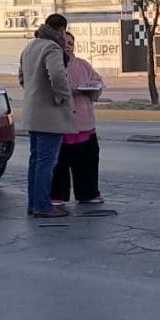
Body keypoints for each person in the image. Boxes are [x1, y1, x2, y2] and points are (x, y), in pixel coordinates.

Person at [18, 14, 77, 218]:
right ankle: (43, 206)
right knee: (46, 162)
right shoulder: (52, 47)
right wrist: (63, 97)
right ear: (62, 30)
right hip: (49, 115)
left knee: (36, 161)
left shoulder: (30, 46)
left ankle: (34, 203)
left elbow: (22, 78)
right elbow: (58, 75)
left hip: (32, 112)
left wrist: (35, 92)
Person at [50, 31, 105, 205]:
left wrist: (92, 88)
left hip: (84, 121)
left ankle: (88, 193)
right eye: (63, 42)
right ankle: (57, 196)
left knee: (88, 161)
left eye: (70, 43)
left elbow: (97, 82)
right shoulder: (51, 65)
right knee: (59, 163)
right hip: (60, 122)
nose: (67, 46)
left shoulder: (83, 65)